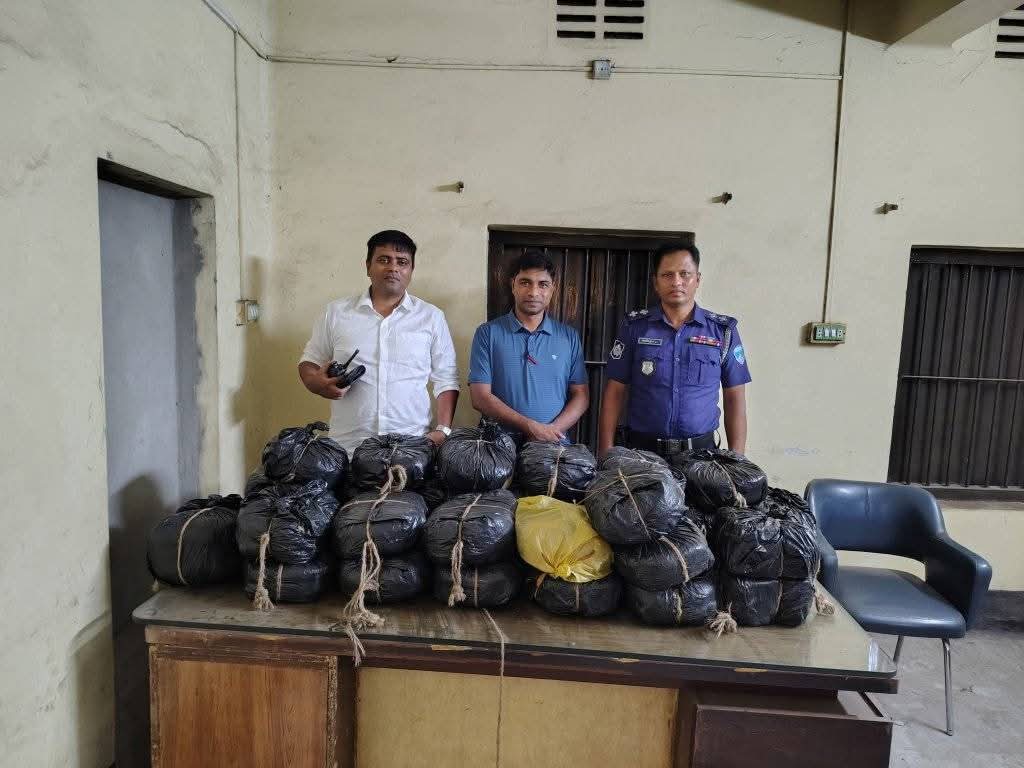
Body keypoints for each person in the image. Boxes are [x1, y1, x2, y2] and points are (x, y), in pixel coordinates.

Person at [298, 230, 459, 454]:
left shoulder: (431, 317)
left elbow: (446, 377)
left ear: (411, 270)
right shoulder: (336, 313)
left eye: (402, 262)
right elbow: (310, 361)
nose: (393, 268)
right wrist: (315, 383)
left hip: (411, 446)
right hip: (347, 447)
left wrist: (443, 429)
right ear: (368, 266)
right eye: (384, 260)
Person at [598, 241, 750, 459]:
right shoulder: (634, 328)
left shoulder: (722, 332)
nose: (676, 282)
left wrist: (737, 458)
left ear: (697, 279)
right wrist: (606, 451)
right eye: (667, 275)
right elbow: (614, 391)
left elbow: (734, 396)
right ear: (655, 282)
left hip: (701, 456)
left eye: (685, 274)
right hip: (643, 455)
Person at [468, 249, 589, 445]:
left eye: (543, 284)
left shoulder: (569, 337)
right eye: (525, 282)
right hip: (498, 447)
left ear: (552, 289)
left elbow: (581, 396)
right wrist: (531, 427)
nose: (533, 292)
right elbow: (480, 397)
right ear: (513, 285)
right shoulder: (488, 333)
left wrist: (550, 432)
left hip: (553, 447)